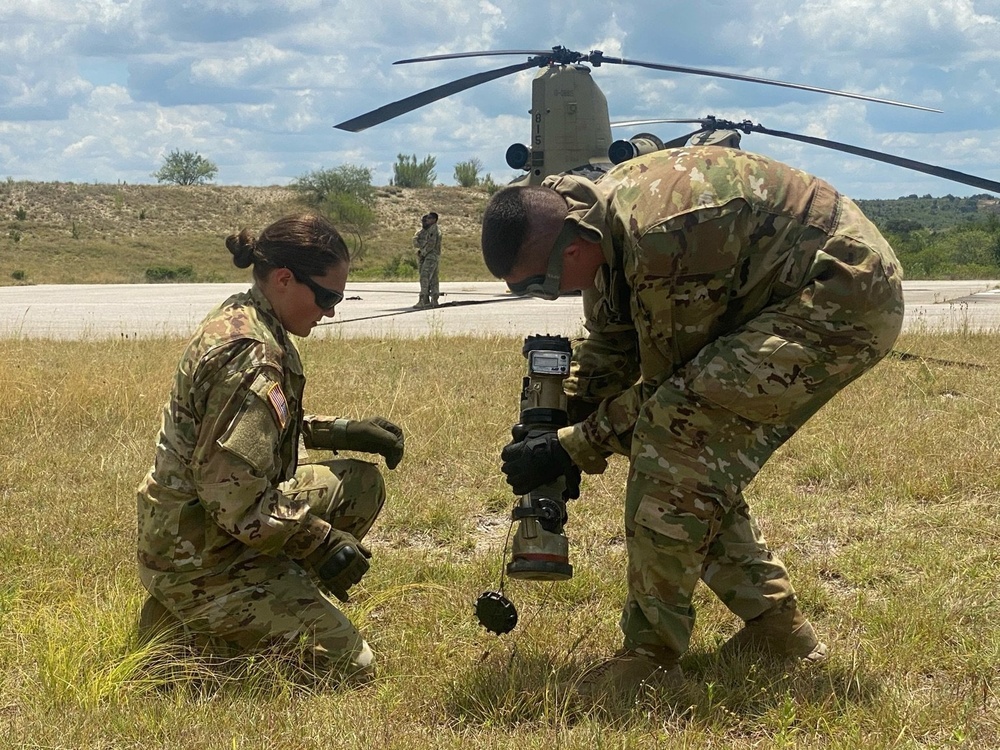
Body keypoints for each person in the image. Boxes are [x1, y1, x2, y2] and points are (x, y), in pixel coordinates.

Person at [480, 146, 904, 696]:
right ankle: (777, 631)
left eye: (539, 283)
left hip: (841, 300)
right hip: (778, 296)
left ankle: (651, 663)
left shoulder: (663, 238)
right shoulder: (600, 223)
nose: (544, 296)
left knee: (674, 440)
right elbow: (613, 341)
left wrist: (576, 445)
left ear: (574, 246)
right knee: (688, 453)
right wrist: (560, 421)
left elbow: (665, 395)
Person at [136, 213, 405, 684]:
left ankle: (269, 592)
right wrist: (320, 542)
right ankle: (188, 627)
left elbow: (259, 426)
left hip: (208, 525)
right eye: (327, 297)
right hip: (197, 553)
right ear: (284, 279)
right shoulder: (250, 356)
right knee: (351, 665)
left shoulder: (250, 315)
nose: (331, 312)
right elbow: (234, 499)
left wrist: (341, 430)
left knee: (359, 484)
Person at [412, 211, 442, 308]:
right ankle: (434, 299)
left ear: (434, 220)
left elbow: (431, 245)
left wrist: (422, 253)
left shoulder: (434, 231)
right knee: (433, 278)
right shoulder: (428, 230)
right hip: (431, 256)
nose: (427, 220)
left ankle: (423, 299)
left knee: (425, 277)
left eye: (429, 218)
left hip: (431, 256)